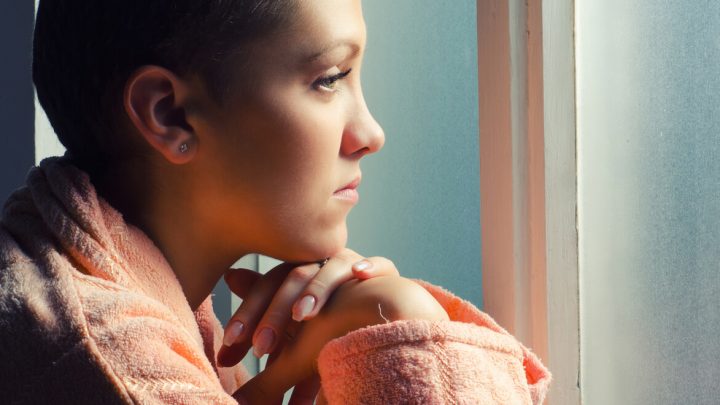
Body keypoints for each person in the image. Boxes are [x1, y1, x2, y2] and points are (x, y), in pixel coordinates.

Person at [0, 0, 551, 403]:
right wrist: (408, 326)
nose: (371, 132)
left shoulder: (69, 271)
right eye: (330, 79)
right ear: (168, 114)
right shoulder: (103, 358)